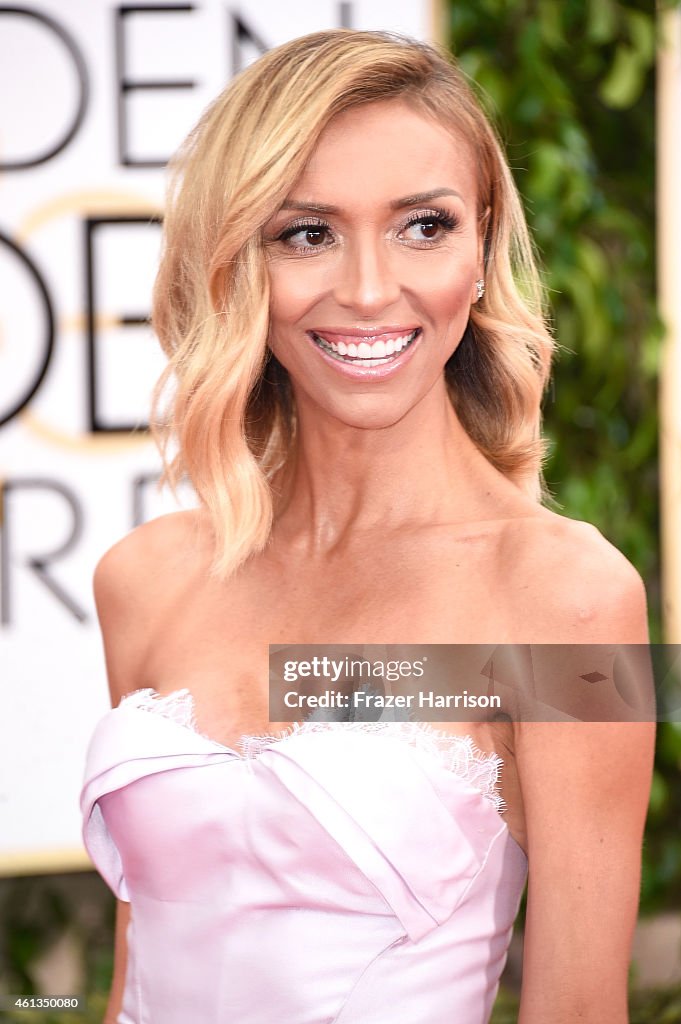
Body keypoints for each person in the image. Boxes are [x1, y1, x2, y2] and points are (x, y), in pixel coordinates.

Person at [80, 28, 655, 1024]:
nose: (369, 290)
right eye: (307, 232)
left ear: (480, 248)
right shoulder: (146, 579)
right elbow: (144, 960)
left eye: (422, 227)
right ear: (238, 264)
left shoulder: (571, 602)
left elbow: (579, 1008)